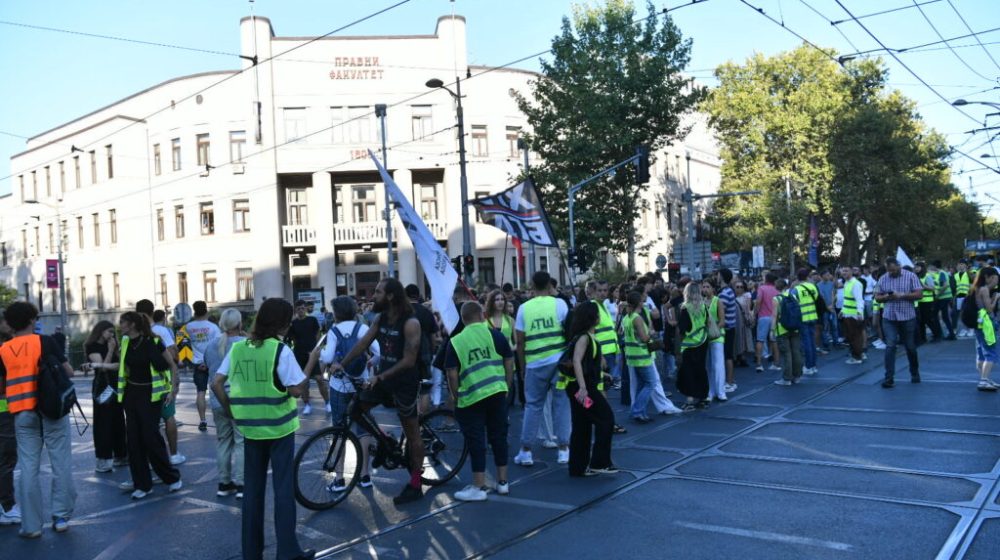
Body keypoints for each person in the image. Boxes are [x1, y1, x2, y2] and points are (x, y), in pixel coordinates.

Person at [212, 298, 314, 560]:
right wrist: (311, 362)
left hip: (250, 429)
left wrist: (231, 411)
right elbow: (297, 389)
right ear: (282, 323)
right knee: (283, 490)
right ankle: (287, 552)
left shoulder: (239, 349)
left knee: (252, 493)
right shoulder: (280, 350)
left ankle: (251, 552)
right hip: (279, 429)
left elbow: (216, 383)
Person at [330, 278, 426, 505]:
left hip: (405, 383)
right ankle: (385, 441)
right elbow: (362, 344)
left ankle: (415, 484)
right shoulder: (380, 318)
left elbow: (409, 360)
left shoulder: (410, 323)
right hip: (383, 379)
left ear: (391, 296)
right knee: (355, 410)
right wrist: (342, 363)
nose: (373, 296)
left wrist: (380, 377)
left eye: (378, 292)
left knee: (412, 433)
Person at [0, 303, 78, 537]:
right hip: (52, 409)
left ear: (10, 324)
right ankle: (61, 517)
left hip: (22, 413)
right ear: (32, 320)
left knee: (28, 468)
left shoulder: (3, 350)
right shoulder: (45, 342)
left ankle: (31, 526)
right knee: (60, 462)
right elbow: (69, 372)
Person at [444, 302, 514, 499]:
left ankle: (478, 486)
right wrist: (506, 386)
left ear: (463, 319)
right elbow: (509, 360)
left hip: (472, 396)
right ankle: (503, 482)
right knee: (499, 436)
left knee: (476, 440)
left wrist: (456, 395)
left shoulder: (456, 341)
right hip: (497, 391)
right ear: (482, 315)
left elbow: (451, 373)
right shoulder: (495, 335)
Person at [311, 296, 379, 491]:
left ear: (337, 313)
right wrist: (371, 363)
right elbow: (379, 352)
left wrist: (320, 353)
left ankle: (340, 478)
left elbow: (328, 357)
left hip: (340, 385)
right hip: (360, 383)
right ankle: (365, 476)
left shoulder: (334, 331)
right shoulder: (363, 329)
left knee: (339, 429)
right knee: (363, 428)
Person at [116, 311, 182, 500]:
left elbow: (172, 365)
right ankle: (142, 485)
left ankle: (171, 477)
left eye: (123, 322)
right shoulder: (125, 342)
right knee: (133, 441)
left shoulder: (153, 341)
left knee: (151, 438)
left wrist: (172, 391)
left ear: (133, 324)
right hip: (131, 394)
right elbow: (123, 367)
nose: (120, 325)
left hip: (151, 395)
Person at [513, 271, 571, 467]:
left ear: (532, 285)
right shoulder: (559, 304)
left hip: (534, 364)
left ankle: (526, 451)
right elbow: (569, 331)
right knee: (561, 404)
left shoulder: (523, 309)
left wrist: (522, 368)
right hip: (558, 363)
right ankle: (563, 450)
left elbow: (519, 342)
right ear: (549, 285)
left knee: (533, 406)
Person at [559, 301, 617, 477]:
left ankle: (577, 467)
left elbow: (585, 363)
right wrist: (583, 387)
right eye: (597, 314)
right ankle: (599, 462)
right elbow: (577, 361)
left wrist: (602, 374)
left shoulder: (585, 337)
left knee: (582, 425)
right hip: (582, 389)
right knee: (605, 418)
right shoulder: (584, 338)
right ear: (591, 318)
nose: (599, 317)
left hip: (577, 388)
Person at [136, 300, 184, 465]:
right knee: (168, 416)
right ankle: (174, 454)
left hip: (141, 384)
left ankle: (153, 458)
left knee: (149, 422)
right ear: (152, 312)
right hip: (162, 382)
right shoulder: (161, 331)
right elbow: (172, 354)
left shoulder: (134, 333)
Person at [204, 309, 246, 499]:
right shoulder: (244, 344)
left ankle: (224, 483)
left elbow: (209, 368)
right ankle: (242, 484)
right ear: (239, 324)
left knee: (223, 441)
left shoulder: (212, 344)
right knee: (241, 442)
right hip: (239, 399)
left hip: (216, 399)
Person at [874, 257, 924, 388]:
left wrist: (901, 295)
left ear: (899, 266)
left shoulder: (911, 276)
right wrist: (887, 297)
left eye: (893, 270)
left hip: (907, 317)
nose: (891, 272)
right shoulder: (883, 278)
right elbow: (877, 297)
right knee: (890, 346)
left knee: (910, 346)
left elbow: (919, 294)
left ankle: (914, 372)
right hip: (889, 318)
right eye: (889, 270)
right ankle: (889, 378)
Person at [85, 320, 127, 473]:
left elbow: (119, 365)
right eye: (109, 331)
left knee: (118, 420)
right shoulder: (92, 346)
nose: (112, 335)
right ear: (101, 331)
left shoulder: (114, 345)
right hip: (103, 387)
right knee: (103, 422)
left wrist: (112, 352)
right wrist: (109, 351)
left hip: (116, 386)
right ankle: (104, 459)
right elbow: (103, 369)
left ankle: (121, 455)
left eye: (113, 332)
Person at [623, 291, 660, 422]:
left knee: (641, 384)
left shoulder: (627, 317)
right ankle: (637, 411)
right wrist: (651, 333)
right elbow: (644, 338)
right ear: (639, 303)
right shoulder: (637, 318)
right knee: (651, 383)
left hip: (632, 355)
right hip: (641, 356)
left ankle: (641, 413)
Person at [186, 300, 221, 431]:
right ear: (206, 311)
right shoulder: (213, 327)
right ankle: (219, 418)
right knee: (217, 390)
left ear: (194, 312)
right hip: (211, 363)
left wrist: (190, 361)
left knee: (200, 392)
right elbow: (219, 345)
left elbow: (182, 344)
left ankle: (202, 420)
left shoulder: (188, 327)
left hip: (198, 364)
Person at [285, 300, 324, 416]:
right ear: (296, 310)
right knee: (303, 382)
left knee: (319, 378)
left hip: (312, 353)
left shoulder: (312, 320)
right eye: (298, 309)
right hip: (299, 354)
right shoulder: (293, 323)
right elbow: (291, 337)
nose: (301, 310)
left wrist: (317, 347)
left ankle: (327, 403)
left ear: (306, 309)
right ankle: (307, 404)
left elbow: (318, 333)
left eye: (303, 308)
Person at [677, 283, 710, 410]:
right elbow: (707, 322)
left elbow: (682, 329)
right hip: (703, 341)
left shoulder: (685, 308)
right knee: (701, 369)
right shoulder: (704, 306)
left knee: (688, 371)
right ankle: (703, 398)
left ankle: (690, 399)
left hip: (689, 344)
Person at [0, 314, 20, 528]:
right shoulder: (3, 350)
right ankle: (7, 507)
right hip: (4, 411)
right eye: (6, 322)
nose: (10, 324)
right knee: (6, 458)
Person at [971, 267, 1000, 392]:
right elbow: (989, 309)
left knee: (981, 352)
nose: (996, 281)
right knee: (991, 352)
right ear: (988, 277)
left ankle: (985, 378)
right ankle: (983, 380)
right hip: (986, 324)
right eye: (995, 278)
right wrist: (996, 298)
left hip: (978, 323)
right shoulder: (984, 289)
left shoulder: (975, 288)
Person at [772, 279, 803, 386]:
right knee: (796, 352)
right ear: (786, 287)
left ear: (776, 287)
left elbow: (774, 316)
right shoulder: (793, 296)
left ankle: (787, 378)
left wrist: (772, 330)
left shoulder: (776, 299)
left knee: (787, 354)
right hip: (795, 328)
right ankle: (797, 376)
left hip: (782, 329)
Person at [702, 280, 728, 402]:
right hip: (705, 337)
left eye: (708, 286)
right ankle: (710, 392)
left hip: (717, 336)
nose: (705, 289)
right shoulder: (701, 302)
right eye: (703, 287)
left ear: (713, 288)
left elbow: (722, 320)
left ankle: (721, 392)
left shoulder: (718, 301)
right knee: (708, 365)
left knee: (718, 365)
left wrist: (714, 330)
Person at [794, 269, 820, 376]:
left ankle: (808, 366)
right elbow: (816, 298)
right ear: (807, 277)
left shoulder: (796, 289)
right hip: (813, 316)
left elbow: (794, 303)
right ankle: (813, 366)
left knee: (806, 343)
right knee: (812, 342)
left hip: (803, 318)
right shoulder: (813, 287)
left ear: (798, 277)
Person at [716, 269, 739, 392]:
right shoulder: (729, 291)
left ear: (722, 277)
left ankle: (729, 382)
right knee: (728, 355)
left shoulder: (724, 293)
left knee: (727, 355)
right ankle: (730, 381)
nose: (716, 277)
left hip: (727, 328)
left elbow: (720, 311)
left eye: (718, 275)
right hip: (730, 327)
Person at [754, 273, 781, 372]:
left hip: (763, 317)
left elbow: (758, 302)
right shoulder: (777, 289)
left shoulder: (762, 288)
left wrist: (754, 313)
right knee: (774, 341)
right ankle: (776, 363)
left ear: (766, 279)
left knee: (760, 340)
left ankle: (759, 364)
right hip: (774, 317)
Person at [840, 266, 866, 365]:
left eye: (846, 270)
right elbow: (846, 299)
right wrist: (842, 310)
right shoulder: (847, 283)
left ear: (851, 272)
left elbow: (859, 300)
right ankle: (858, 354)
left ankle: (857, 357)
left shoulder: (856, 284)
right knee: (851, 336)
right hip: (847, 314)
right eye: (843, 271)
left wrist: (859, 313)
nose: (844, 272)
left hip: (854, 315)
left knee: (855, 336)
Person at [930, 260, 956, 340]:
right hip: (942, 297)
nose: (931, 267)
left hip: (943, 297)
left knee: (940, 316)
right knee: (942, 316)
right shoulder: (938, 273)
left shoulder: (941, 273)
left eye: (932, 266)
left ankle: (946, 334)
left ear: (935, 266)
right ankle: (949, 334)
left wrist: (937, 295)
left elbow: (945, 285)